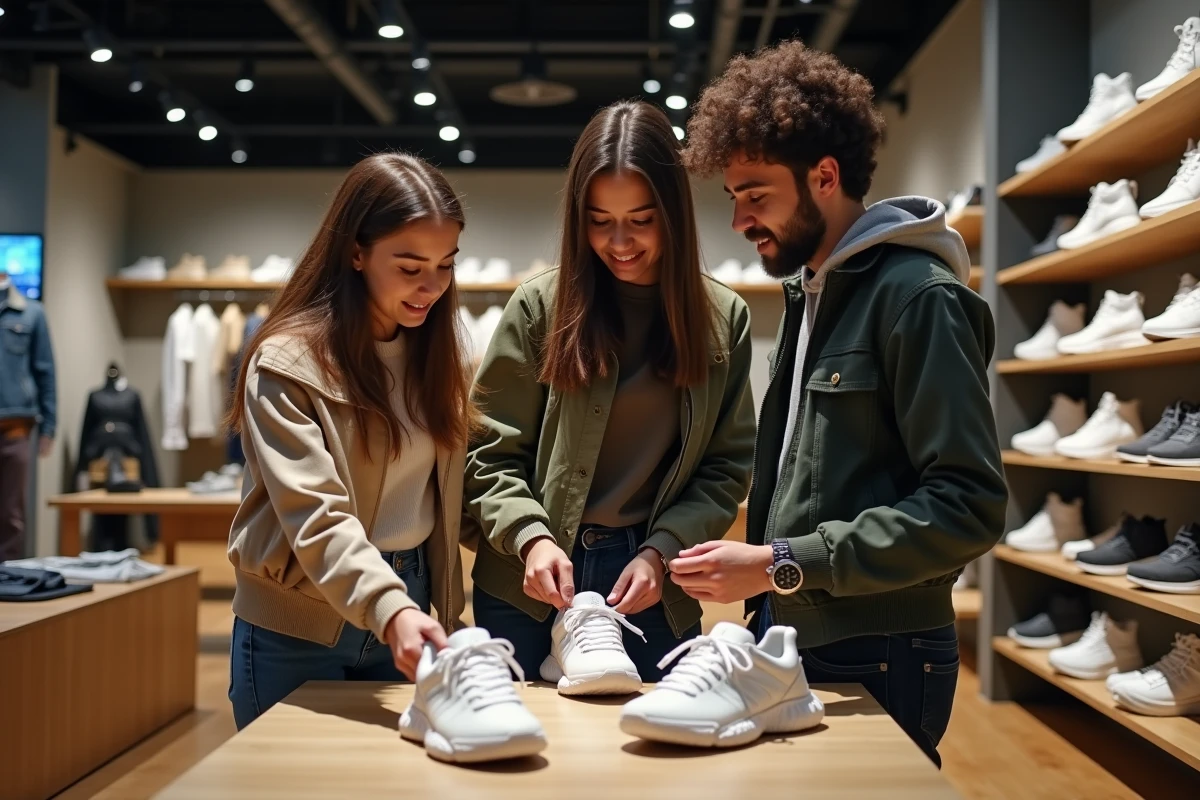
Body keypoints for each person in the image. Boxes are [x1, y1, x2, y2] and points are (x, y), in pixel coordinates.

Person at [670, 42, 1007, 765]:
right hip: (800, 629)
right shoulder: (815, 292)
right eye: (732, 198)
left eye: (755, 196)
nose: (738, 222)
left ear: (824, 177)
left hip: (880, 646)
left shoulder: (918, 298)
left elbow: (968, 504)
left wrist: (778, 562)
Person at [465, 100, 757, 680]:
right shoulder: (539, 307)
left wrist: (664, 550)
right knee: (519, 752)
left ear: (673, 213)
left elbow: (725, 468)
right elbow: (487, 451)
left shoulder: (724, 318)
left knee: (653, 752)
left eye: (642, 219)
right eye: (599, 220)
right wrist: (529, 538)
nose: (619, 242)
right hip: (531, 581)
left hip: (653, 583)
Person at [224, 153, 473, 729]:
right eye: (410, 267)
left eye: (445, 265)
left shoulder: (440, 359)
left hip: (407, 606)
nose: (431, 286)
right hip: (300, 618)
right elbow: (317, 516)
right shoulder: (287, 363)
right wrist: (392, 611)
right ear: (355, 252)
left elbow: (457, 492)